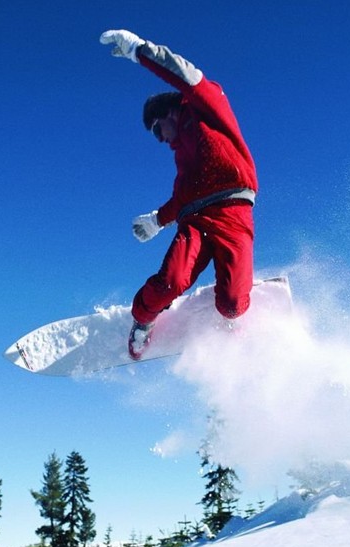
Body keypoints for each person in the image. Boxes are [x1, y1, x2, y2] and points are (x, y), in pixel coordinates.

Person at [99, 29, 259, 360]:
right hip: (196, 219)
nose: (160, 140)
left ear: (168, 112)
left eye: (157, 130)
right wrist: (156, 220)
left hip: (233, 213)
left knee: (231, 304)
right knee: (170, 282)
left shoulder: (204, 106)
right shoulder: (182, 158)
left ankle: (230, 316)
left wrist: (139, 51)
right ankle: (142, 322)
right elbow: (183, 197)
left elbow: (185, 74)